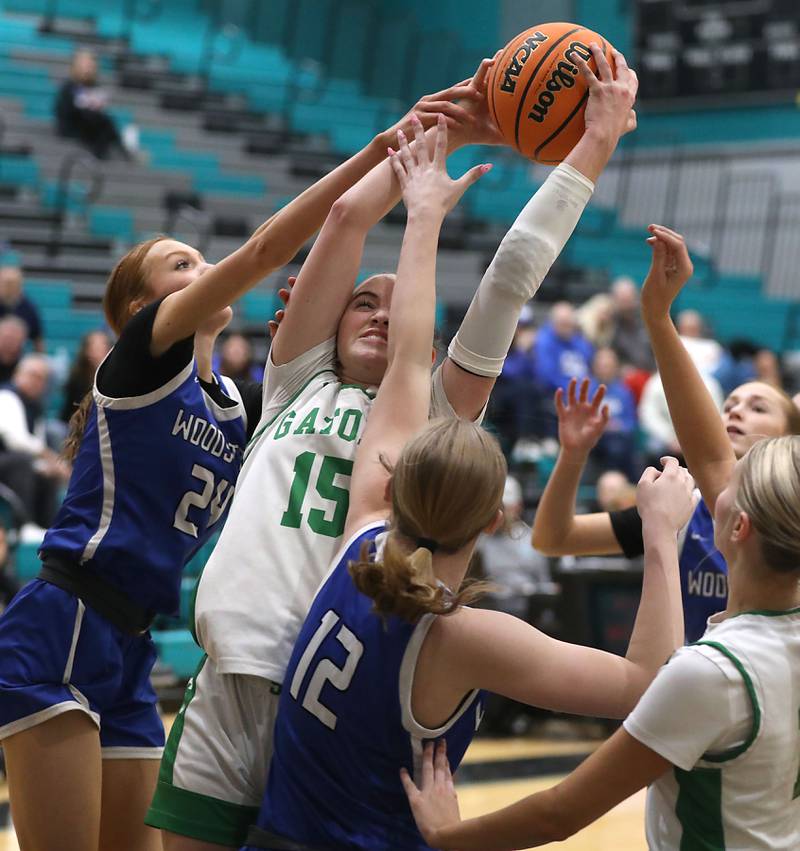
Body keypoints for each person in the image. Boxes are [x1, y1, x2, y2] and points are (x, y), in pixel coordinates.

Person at [148, 44, 640, 851]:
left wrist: (589, 148)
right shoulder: (296, 381)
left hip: (331, 688)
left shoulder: (435, 404)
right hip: (231, 668)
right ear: (321, 325)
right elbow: (344, 217)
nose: (378, 310)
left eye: (393, 301)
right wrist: (441, 132)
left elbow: (510, 280)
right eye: (358, 302)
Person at [0, 85, 453, 851]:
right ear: (144, 306)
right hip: (63, 622)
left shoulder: (236, 412)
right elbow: (265, 250)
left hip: (132, 643)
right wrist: (390, 146)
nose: (205, 269)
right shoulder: (144, 357)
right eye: (182, 265)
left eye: (201, 258)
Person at [241, 100, 694, 851]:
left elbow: (440, 323)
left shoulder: (363, 539)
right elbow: (647, 685)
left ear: (394, 476)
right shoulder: (460, 631)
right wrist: (662, 540)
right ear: (491, 519)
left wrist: (423, 215)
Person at [403, 435, 800, 851]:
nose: (705, 493)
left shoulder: (715, 672)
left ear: (739, 527)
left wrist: (446, 837)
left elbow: (558, 814)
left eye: (725, 483)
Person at [533, 226, 800, 642]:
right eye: (728, 405)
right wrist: (572, 456)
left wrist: (656, 316)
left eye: (758, 406)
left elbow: (713, 460)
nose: (735, 411)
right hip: (692, 684)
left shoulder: (788, 515)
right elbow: (553, 538)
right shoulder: (682, 506)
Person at [0, 354, 70, 528]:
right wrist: (52, 459)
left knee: (46, 473)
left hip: (16, 462)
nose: (36, 382)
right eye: (33, 375)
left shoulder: (35, 407)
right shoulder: (6, 396)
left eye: (42, 379)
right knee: (22, 462)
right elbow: (16, 441)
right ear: (18, 373)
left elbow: (36, 446)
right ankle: (23, 524)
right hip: (8, 461)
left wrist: (51, 467)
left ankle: (48, 527)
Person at [55, 48, 129, 160]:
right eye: (84, 64)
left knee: (105, 121)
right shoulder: (69, 86)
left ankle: (111, 152)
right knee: (104, 122)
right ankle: (120, 150)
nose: (88, 68)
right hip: (73, 126)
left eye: (90, 64)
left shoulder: (95, 86)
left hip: (91, 126)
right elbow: (69, 111)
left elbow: (98, 108)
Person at [59, 329, 113, 423]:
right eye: (96, 347)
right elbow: (71, 411)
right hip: (76, 424)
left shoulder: (114, 376)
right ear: (87, 350)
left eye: (103, 346)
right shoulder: (77, 377)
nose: (100, 350)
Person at [0, 264, 44, 352]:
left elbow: (38, 340)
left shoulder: (29, 308)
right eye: (6, 283)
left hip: (19, 357)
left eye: (12, 283)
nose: (9, 287)